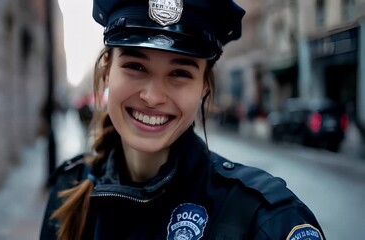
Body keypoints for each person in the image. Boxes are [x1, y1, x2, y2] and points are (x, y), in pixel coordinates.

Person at [40, 0, 326, 239]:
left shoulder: (262, 218)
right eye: (135, 66)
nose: (152, 96)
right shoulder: (69, 190)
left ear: (203, 87)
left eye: (180, 73)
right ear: (107, 72)